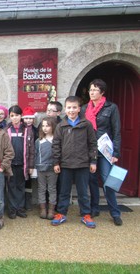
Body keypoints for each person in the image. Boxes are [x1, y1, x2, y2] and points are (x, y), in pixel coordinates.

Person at [51, 96, 98, 228]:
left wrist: (93, 161)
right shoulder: (61, 126)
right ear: (65, 109)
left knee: (83, 191)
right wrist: (56, 162)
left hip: (83, 164)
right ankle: (61, 213)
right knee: (64, 191)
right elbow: (56, 145)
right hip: (65, 165)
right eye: (69, 107)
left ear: (79, 109)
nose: (71, 110)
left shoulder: (87, 124)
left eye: (74, 107)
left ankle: (86, 214)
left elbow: (93, 144)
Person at [81, 79, 123, 226]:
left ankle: (115, 212)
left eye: (95, 90)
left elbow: (117, 131)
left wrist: (116, 153)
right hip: (89, 149)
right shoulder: (84, 108)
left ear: (102, 92)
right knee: (91, 180)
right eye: (90, 90)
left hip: (105, 150)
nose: (92, 93)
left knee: (107, 181)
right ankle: (94, 208)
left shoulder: (111, 108)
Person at [6, 105, 35, 219]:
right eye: (12, 116)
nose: (15, 118)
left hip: (23, 164)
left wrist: (31, 165)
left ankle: (20, 208)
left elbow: (32, 149)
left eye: (17, 115)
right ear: (9, 117)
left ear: (21, 116)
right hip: (11, 164)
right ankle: (12, 209)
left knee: (21, 186)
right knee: (12, 186)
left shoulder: (27, 130)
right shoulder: (6, 130)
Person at [35, 117, 58, 219]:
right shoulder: (38, 141)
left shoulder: (56, 140)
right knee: (41, 189)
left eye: (47, 126)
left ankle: (51, 210)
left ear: (53, 127)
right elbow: (35, 154)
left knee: (52, 189)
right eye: (43, 126)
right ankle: (43, 209)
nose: (45, 128)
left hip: (52, 169)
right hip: (41, 169)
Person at [22, 106, 38, 211]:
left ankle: (28, 203)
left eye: (30, 118)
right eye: (26, 118)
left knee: (28, 183)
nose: (28, 120)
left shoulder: (36, 131)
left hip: (32, 160)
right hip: (22, 160)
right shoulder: (21, 129)